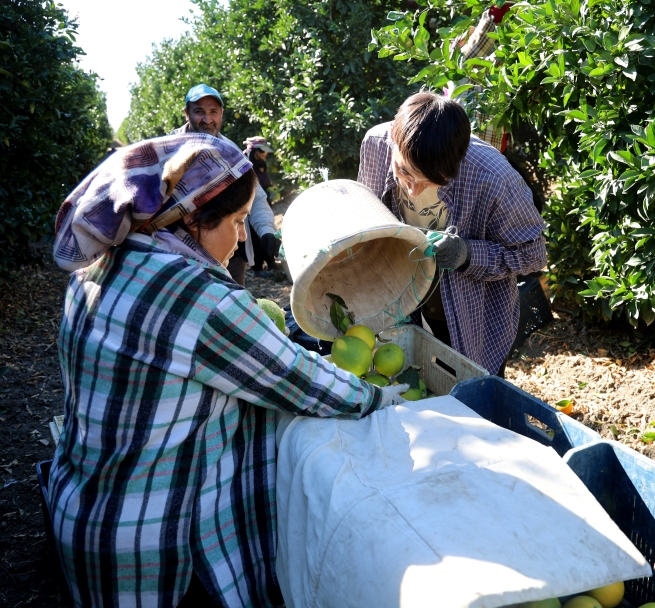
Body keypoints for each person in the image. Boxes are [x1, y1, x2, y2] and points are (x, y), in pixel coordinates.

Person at [50, 133, 408, 607]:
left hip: (84, 508)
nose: (241, 237)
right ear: (193, 217)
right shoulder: (199, 297)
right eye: (238, 221)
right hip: (150, 547)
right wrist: (382, 397)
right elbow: (299, 380)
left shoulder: (103, 264)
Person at [357, 92, 547, 376]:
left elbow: (532, 255)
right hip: (398, 297)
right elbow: (367, 213)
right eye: (404, 172)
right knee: (407, 382)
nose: (413, 191)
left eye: (430, 181)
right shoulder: (375, 144)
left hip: (467, 312)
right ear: (393, 142)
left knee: (469, 392)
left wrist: (467, 254)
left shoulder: (494, 178)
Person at [174, 84, 280, 286]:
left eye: (213, 112)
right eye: (199, 112)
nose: (207, 120)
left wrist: (266, 230)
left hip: (232, 254)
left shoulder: (231, 153)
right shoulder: (171, 149)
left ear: (222, 113)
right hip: (184, 253)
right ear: (186, 113)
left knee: (232, 304)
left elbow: (254, 195)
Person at [243, 136, 277, 278]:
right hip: (249, 207)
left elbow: (264, 181)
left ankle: (270, 260)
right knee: (254, 237)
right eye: (262, 152)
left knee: (266, 232)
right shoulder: (244, 163)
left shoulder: (261, 163)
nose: (265, 155)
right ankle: (257, 267)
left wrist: (270, 189)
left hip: (261, 203)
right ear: (255, 151)